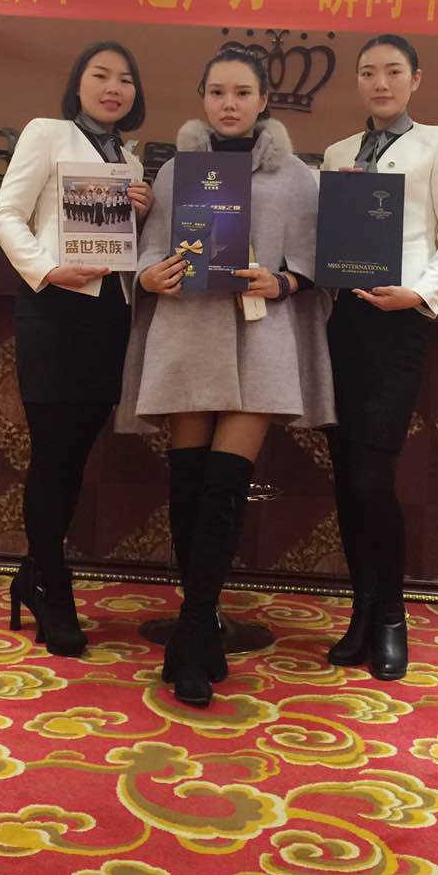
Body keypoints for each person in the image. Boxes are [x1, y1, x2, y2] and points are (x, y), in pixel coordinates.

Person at [117, 45, 334, 707]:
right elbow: (150, 248)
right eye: (217, 92)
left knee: (223, 487)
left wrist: (283, 279)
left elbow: (318, 263)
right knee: (187, 487)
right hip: (188, 334)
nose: (229, 104)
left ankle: (191, 630)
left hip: (262, 340)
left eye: (242, 92)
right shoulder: (177, 171)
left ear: (264, 99)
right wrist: (150, 275)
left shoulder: (297, 177)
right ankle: (202, 625)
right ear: (203, 98)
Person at [0, 41, 152, 657]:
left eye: (125, 79)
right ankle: (51, 584)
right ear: (78, 84)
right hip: (55, 308)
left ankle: (35, 573)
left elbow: (120, 247)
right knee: (53, 453)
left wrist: (144, 213)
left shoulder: (129, 161)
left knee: (76, 453)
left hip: (109, 315)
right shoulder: (47, 133)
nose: (113, 88)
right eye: (100, 75)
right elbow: (6, 214)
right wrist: (48, 269)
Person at [322, 33, 438, 680]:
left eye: (392, 71)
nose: (379, 83)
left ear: (416, 79)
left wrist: (419, 293)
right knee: (344, 478)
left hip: (399, 321)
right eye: (368, 72)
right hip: (343, 324)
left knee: (372, 479)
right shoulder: (337, 154)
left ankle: (390, 616)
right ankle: (361, 612)